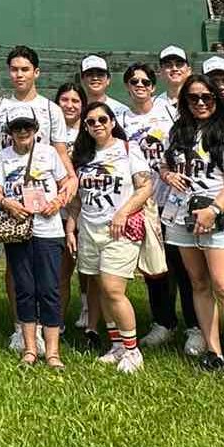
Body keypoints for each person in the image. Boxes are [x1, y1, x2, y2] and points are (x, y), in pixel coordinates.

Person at [160, 74, 224, 394]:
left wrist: (214, 210)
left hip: (215, 215)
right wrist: (168, 174)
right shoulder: (179, 132)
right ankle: (214, 351)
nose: (200, 103)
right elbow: (163, 164)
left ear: (217, 100)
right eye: (193, 98)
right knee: (198, 284)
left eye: (207, 97)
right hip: (182, 215)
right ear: (184, 102)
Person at [0, 46, 69, 353]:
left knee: (49, 276)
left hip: (45, 204)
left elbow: (60, 153)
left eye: (25, 69)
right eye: (14, 69)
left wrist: (65, 194)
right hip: (12, 204)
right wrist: (1, 200)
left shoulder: (50, 110)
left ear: (36, 72)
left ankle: (51, 335)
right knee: (16, 270)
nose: (19, 74)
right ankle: (20, 328)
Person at [71, 103, 153, 374]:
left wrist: (123, 213)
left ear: (112, 121)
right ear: (85, 126)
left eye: (102, 119)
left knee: (114, 289)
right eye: (91, 121)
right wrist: (72, 225)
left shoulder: (127, 149)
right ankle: (117, 345)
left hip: (119, 229)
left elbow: (145, 187)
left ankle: (133, 350)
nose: (97, 125)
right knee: (102, 289)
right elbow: (76, 198)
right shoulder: (82, 155)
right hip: (89, 228)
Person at [0, 108, 76, 369]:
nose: (22, 132)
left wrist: (58, 202)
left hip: (49, 230)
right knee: (25, 289)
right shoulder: (3, 156)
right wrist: (8, 204)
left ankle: (52, 352)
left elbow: (66, 183)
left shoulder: (49, 153)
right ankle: (30, 348)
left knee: (50, 289)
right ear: (10, 132)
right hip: (18, 229)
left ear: (36, 128)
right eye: (17, 128)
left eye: (27, 126)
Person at [121, 61, 195, 352]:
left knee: (184, 266)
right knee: (154, 269)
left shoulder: (170, 112)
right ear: (127, 86)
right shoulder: (121, 120)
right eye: (133, 81)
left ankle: (194, 326)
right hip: (143, 203)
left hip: (173, 199)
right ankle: (163, 322)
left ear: (153, 86)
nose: (139, 86)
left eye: (145, 82)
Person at [55, 83, 89, 334]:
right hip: (58, 209)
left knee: (91, 267)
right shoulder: (48, 132)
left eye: (75, 101)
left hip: (88, 207)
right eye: (64, 100)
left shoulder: (91, 130)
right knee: (61, 270)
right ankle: (57, 322)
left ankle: (89, 311)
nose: (69, 105)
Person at [79, 55, 130, 126]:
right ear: (82, 80)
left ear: (108, 80)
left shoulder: (122, 111)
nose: (95, 78)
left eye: (100, 74)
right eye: (89, 74)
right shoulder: (75, 110)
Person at [155, 46, 192, 121]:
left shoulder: (200, 100)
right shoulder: (153, 104)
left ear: (189, 71)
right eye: (168, 65)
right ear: (161, 72)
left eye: (179, 64)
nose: (174, 69)